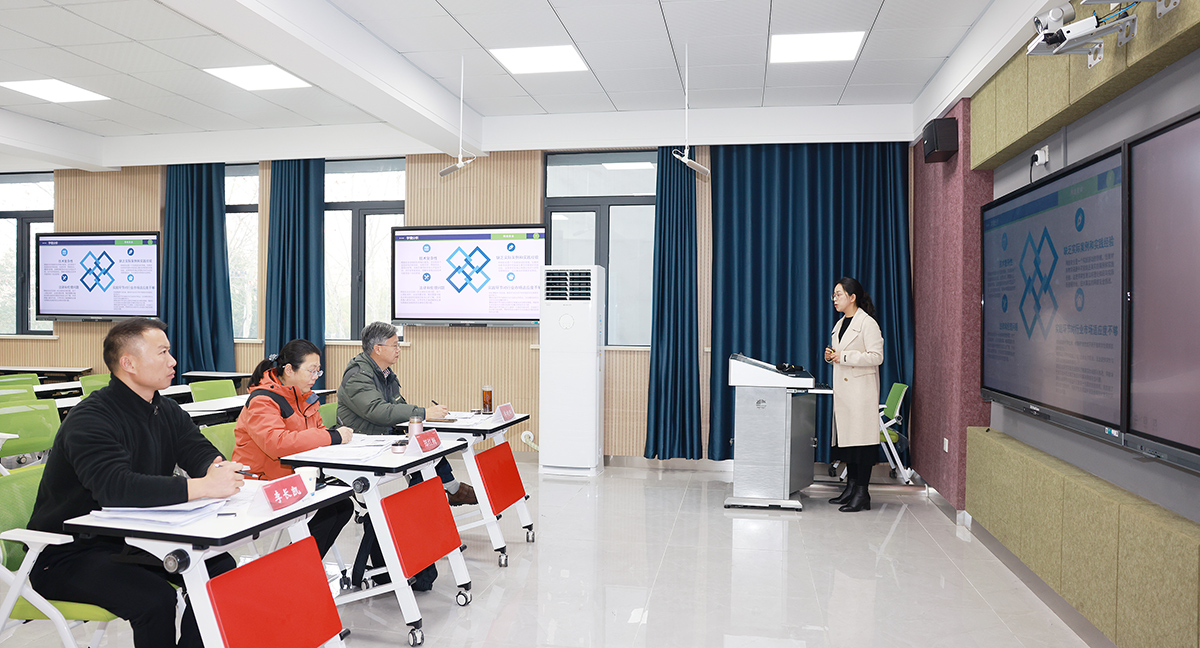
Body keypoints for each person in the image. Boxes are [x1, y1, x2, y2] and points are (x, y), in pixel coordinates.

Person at [27, 318, 244, 648]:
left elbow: (197, 451)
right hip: (68, 554)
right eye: (162, 352)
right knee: (154, 599)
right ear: (128, 363)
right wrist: (204, 487)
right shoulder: (90, 418)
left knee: (220, 569)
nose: (172, 361)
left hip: (132, 540)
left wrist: (219, 470)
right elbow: (116, 489)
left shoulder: (165, 409)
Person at [233, 339, 354, 558]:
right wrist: (332, 437)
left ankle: (301, 566)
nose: (316, 377)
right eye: (311, 370)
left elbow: (318, 433)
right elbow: (278, 444)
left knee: (342, 506)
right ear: (289, 370)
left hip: (294, 477)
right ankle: (295, 567)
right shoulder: (262, 400)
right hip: (261, 483)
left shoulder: (304, 397)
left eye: (318, 371)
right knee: (330, 510)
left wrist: (332, 440)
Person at [337, 321, 476, 506]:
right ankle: (415, 507)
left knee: (426, 446)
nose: (399, 349)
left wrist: (422, 415)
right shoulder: (358, 375)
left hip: (382, 435)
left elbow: (398, 405)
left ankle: (445, 491)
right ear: (378, 349)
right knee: (420, 456)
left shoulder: (385, 373)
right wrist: (424, 413)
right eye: (394, 345)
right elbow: (377, 411)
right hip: (363, 441)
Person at [824, 277, 884, 513]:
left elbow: (877, 356)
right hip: (845, 394)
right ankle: (850, 488)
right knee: (849, 445)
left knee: (862, 445)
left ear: (852, 297)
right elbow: (841, 353)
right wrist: (831, 356)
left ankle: (862, 493)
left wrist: (845, 357)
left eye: (838, 294)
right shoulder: (840, 324)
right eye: (834, 295)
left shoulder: (867, 323)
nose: (834, 299)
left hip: (860, 394)